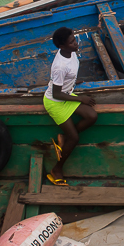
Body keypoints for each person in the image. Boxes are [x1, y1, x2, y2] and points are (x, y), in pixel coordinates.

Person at [43, 27, 97, 186]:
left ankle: (64, 138)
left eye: (74, 39)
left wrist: (72, 84)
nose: (76, 43)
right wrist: (80, 99)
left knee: (92, 116)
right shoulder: (59, 66)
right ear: (62, 46)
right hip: (55, 102)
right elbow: (56, 94)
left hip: (66, 94)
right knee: (75, 138)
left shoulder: (70, 53)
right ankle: (56, 169)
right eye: (72, 42)